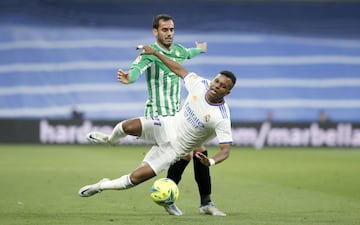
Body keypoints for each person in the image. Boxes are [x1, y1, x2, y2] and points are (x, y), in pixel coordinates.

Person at [79, 45, 236, 217]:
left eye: (222, 86)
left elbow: (226, 150)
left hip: (174, 150)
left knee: (134, 179)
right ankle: (111, 140)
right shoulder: (200, 84)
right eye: (216, 81)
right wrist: (155, 53)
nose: (216, 86)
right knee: (128, 126)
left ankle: (101, 186)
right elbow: (178, 68)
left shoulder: (221, 117)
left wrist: (211, 162)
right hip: (166, 125)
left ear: (227, 92)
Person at [116, 14, 225, 216]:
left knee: (197, 150)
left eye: (172, 30)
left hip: (178, 114)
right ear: (155, 31)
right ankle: (190, 200)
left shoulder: (178, 51)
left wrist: (201, 49)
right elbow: (136, 70)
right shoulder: (149, 52)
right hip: (159, 114)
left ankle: (202, 202)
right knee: (189, 151)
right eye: (165, 30)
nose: (169, 33)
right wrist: (128, 77)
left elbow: (189, 53)